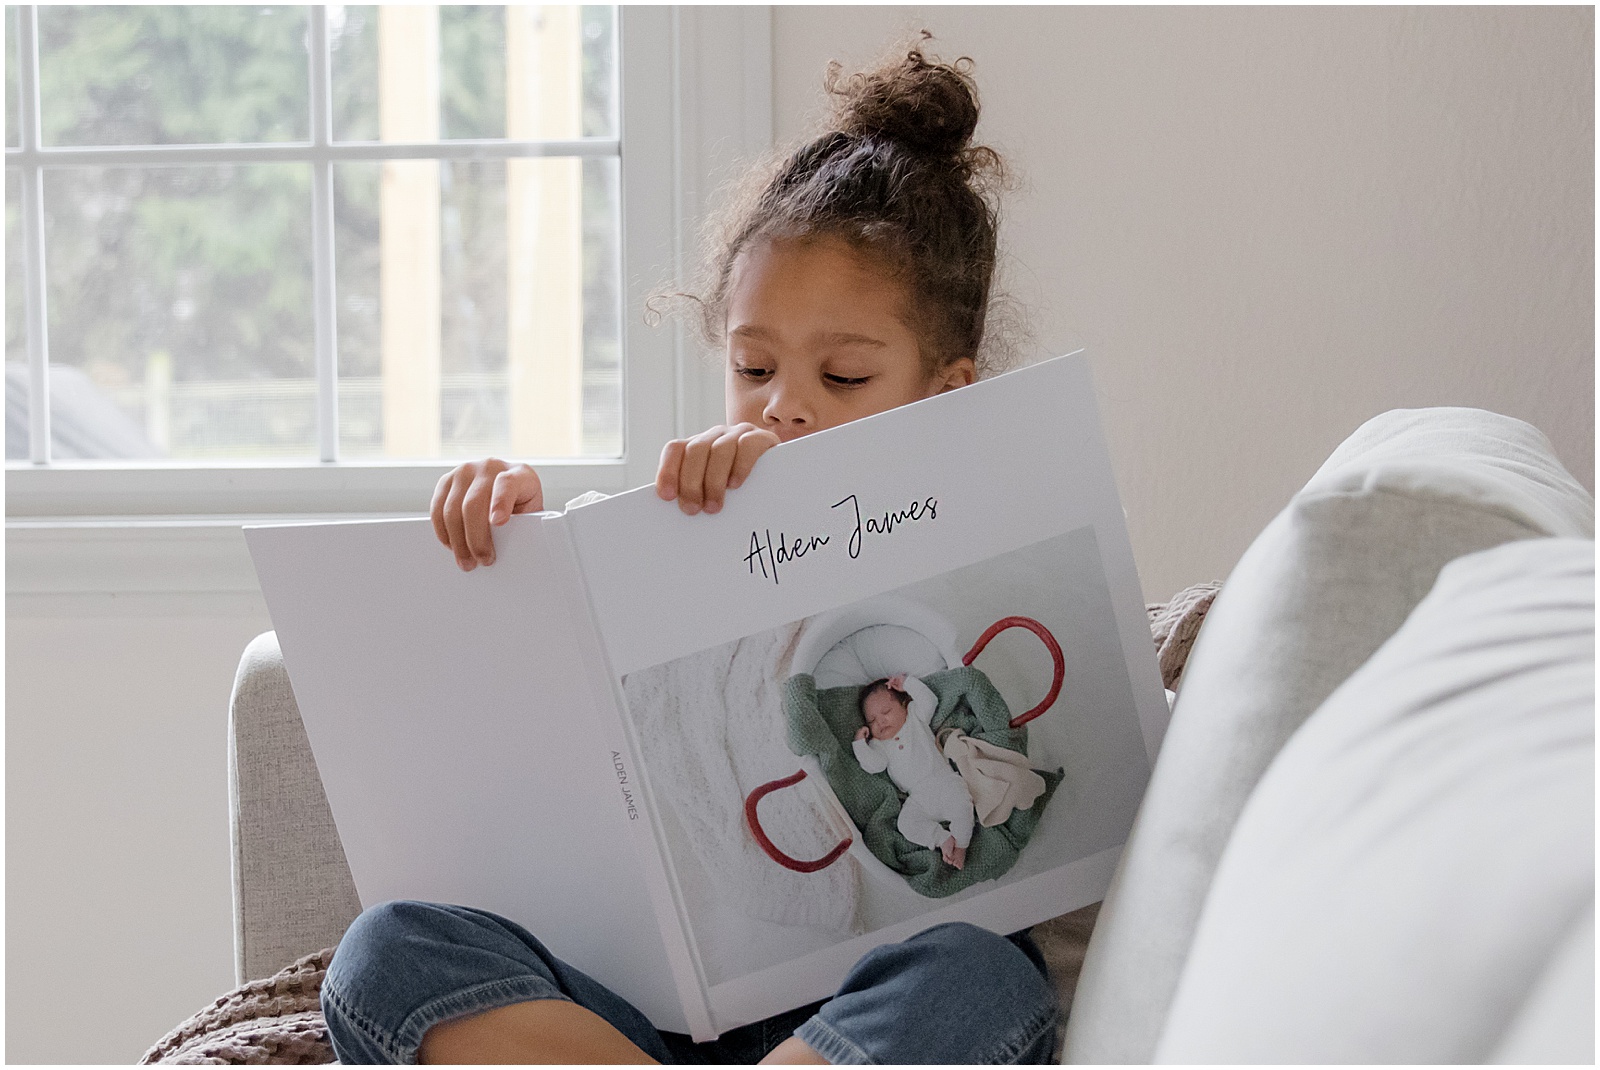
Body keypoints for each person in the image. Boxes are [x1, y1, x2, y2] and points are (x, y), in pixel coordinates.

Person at [323, 41, 1059, 1064]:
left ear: (944, 390)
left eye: (842, 377)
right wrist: (521, 544)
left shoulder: (988, 541)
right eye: (752, 365)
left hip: (857, 1006)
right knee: (381, 953)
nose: (783, 403)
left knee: (977, 971)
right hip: (648, 1022)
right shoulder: (665, 526)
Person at [854, 674, 976, 870]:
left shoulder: (914, 718)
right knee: (906, 824)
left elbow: (930, 701)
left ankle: (961, 846)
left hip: (943, 781)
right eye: (872, 720)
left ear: (904, 705)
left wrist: (907, 683)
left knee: (962, 805)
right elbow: (872, 766)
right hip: (918, 798)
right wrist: (860, 745)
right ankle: (942, 839)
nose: (881, 722)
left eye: (886, 711)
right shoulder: (879, 745)